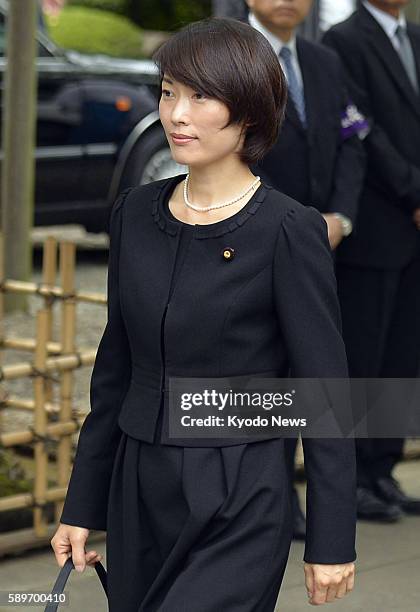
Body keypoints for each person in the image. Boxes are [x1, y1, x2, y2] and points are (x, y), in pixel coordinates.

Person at [51, 17, 357, 610]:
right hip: (138, 488)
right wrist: (81, 507)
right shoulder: (134, 214)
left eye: (200, 96)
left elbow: (325, 393)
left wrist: (331, 539)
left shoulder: (289, 230)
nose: (176, 114)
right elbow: (114, 372)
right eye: (169, 92)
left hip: (241, 491)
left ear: (247, 112)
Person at [246, 0, 366, 540]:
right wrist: (288, 223)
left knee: (312, 375)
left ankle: (311, 496)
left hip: (323, 245)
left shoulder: (322, 60)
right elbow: (230, 155)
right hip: (252, 243)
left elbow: (351, 141)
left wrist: (338, 216)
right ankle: (269, 495)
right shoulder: (234, 59)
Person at [323, 0, 420, 522]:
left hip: (415, 232)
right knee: (363, 354)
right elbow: (364, 133)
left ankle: (383, 468)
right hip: (378, 221)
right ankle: (352, 477)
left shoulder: (417, 38)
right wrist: (414, 193)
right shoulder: (345, 40)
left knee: (404, 354)